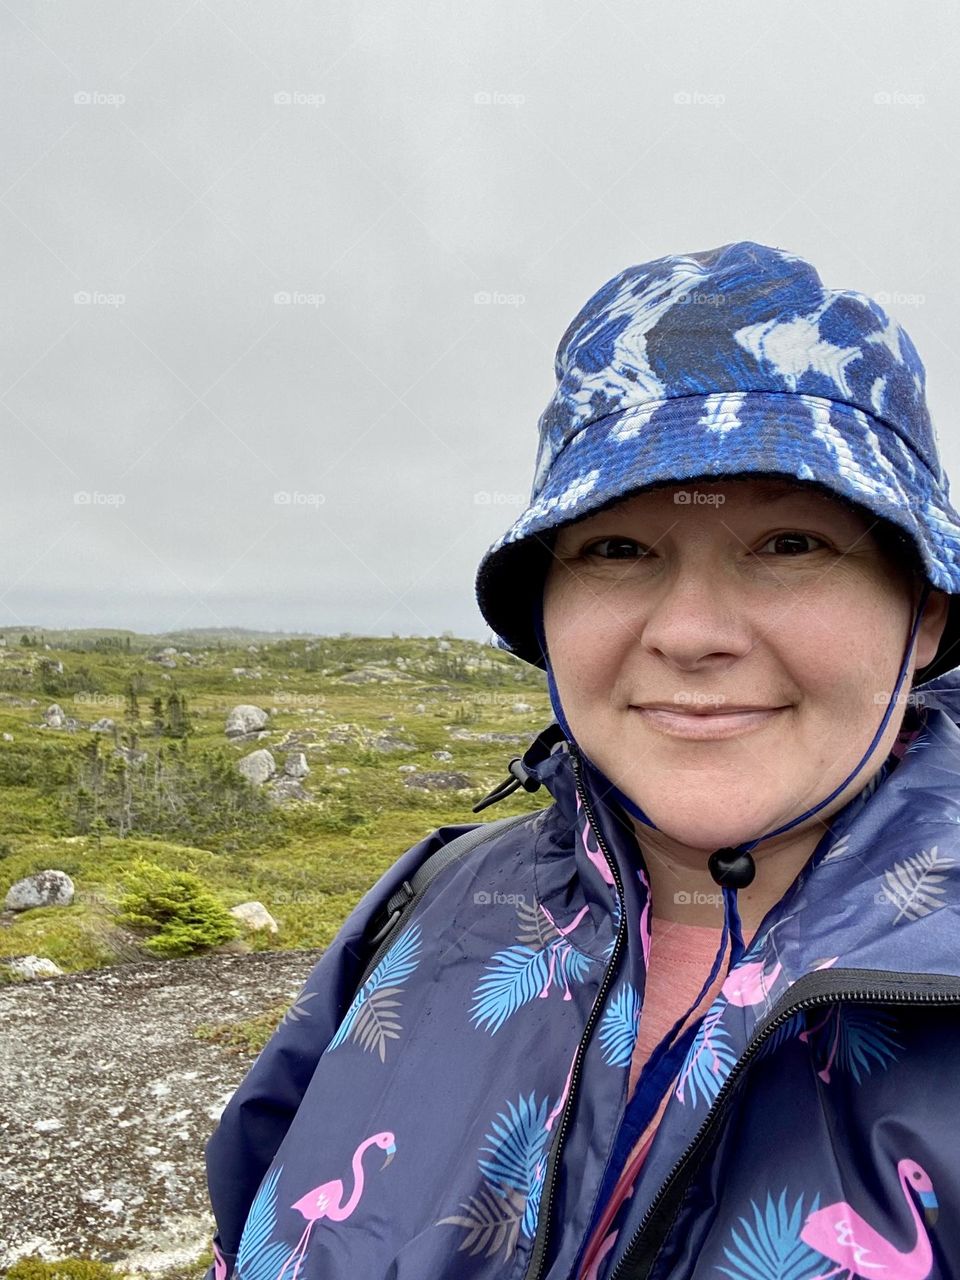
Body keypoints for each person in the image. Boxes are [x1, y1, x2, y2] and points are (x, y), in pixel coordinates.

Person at [201, 241, 960, 1280]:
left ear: (924, 611)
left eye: (791, 544)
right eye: (616, 548)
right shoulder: (429, 904)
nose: (690, 633)